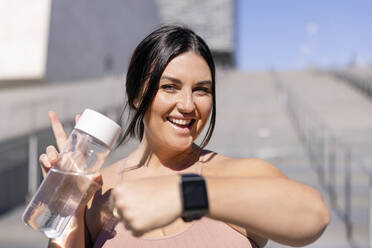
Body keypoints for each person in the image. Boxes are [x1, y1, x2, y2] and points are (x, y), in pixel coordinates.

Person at [40, 25, 330, 248]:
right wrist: (68, 205)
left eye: (202, 89)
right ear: (138, 94)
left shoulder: (237, 174)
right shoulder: (98, 191)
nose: (189, 105)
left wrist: (187, 195)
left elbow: (314, 215)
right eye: (170, 87)